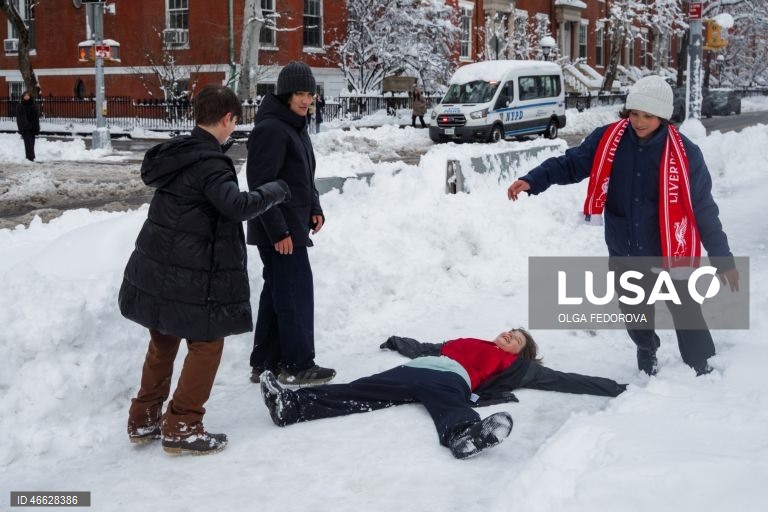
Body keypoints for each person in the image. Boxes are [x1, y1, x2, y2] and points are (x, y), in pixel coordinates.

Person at [506, 75, 739, 377]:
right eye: (634, 113)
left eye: (648, 116)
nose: (639, 122)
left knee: (685, 308)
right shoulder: (608, 140)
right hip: (625, 246)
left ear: (664, 118)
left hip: (669, 248)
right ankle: (647, 348)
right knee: (635, 311)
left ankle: (701, 363)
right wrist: (533, 180)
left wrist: (723, 258)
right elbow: (571, 163)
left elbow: (704, 209)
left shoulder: (687, 154)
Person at [119, 84, 290, 455]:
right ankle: (182, 424)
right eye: (234, 123)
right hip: (190, 271)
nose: (234, 130)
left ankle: (144, 419)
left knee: (163, 341)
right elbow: (237, 206)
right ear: (227, 118)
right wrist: (275, 190)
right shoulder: (211, 163)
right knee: (207, 344)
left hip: (159, 266)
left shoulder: (181, 153)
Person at [260, 330, 626, 460]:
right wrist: (399, 341)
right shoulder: (465, 341)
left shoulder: (514, 365)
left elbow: (562, 378)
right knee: (359, 390)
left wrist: (615, 388)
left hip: (451, 380)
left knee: (449, 405)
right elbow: (428, 346)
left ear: (521, 353)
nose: (509, 334)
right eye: (509, 331)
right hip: (413, 371)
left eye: (518, 338)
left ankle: (464, 436)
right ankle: (290, 405)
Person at [246, 61, 336, 386]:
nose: (305, 100)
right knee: (295, 293)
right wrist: (279, 230)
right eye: (299, 93)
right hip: (279, 229)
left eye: (309, 93)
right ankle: (297, 365)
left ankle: (265, 362)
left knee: (277, 292)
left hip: (292, 223)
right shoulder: (271, 128)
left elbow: (303, 176)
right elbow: (260, 182)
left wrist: (315, 206)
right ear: (285, 94)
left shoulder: (294, 125)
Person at [16, 91, 40, 162]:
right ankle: (30, 158)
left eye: (28, 95)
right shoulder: (20, 106)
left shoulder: (33, 105)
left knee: (32, 143)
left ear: (30, 97)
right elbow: (19, 118)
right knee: (28, 143)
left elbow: (36, 118)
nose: (26, 97)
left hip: (32, 127)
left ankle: (31, 157)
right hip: (25, 128)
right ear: (23, 97)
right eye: (25, 95)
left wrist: (36, 128)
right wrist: (21, 128)